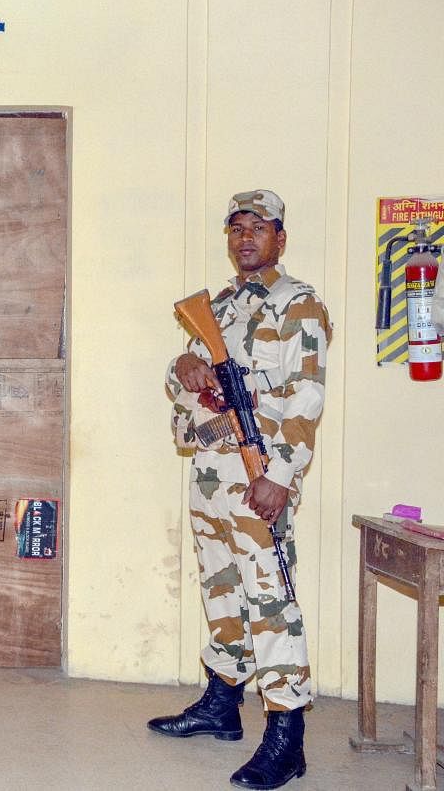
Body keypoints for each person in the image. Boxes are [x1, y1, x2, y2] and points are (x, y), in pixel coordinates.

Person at [149, 190, 331, 790]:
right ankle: (222, 704)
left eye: (259, 227)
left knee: (271, 603)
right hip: (211, 476)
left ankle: (287, 733)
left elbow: (305, 398)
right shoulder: (218, 306)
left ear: (281, 237)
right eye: (236, 228)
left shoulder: (297, 305)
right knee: (222, 589)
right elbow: (184, 384)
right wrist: (186, 368)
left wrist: (279, 478)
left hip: (259, 479)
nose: (245, 237)